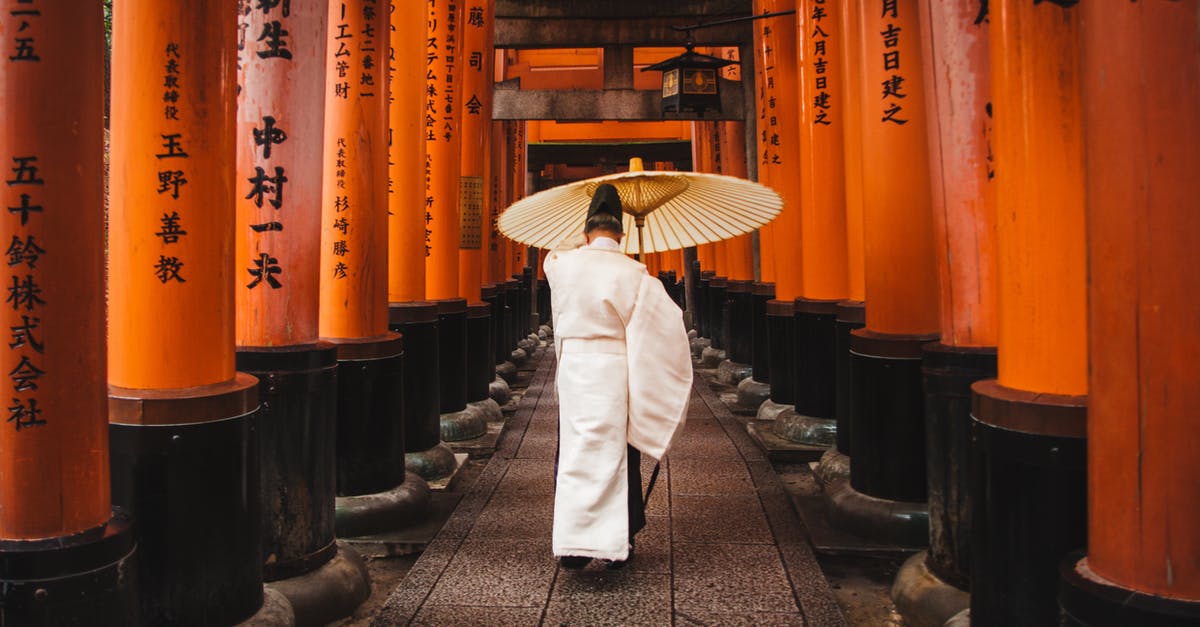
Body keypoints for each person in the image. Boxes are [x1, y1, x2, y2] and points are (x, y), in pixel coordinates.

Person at [543, 183, 693, 570]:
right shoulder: (636, 274)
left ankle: (573, 546)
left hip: (575, 370)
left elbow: (558, 250)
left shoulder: (559, 265)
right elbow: (664, 326)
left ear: (585, 231)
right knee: (619, 452)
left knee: (575, 453)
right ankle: (618, 541)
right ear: (623, 234)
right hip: (614, 369)